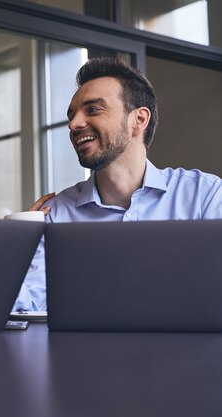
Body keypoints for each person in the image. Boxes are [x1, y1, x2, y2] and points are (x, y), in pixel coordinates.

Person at [14, 57, 222, 311]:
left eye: (93, 110)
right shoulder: (55, 215)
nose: (74, 124)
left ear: (139, 120)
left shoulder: (205, 197)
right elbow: (24, 308)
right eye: (72, 115)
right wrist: (14, 243)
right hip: (83, 352)